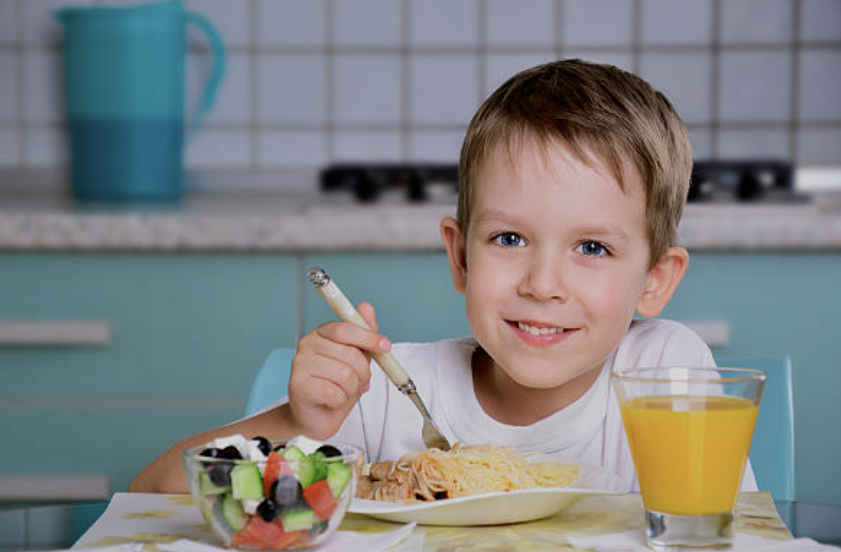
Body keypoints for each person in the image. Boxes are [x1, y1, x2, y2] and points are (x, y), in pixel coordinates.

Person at [130, 59, 757, 494]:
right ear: (460, 257)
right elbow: (151, 492)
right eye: (509, 239)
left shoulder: (663, 376)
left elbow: (722, 534)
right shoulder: (382, 396)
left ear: (655, 278)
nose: (543, 283)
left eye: (591, 247)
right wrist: (300, 426)